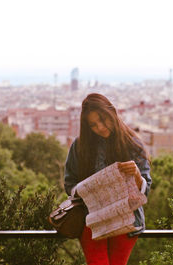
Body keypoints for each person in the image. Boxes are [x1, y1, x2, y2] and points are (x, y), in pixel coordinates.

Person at [64, 93, 152, 265]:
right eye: (94, 125)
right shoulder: (80, 146)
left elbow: (146, 189)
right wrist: (85, 189)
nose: (101, 127)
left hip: (126, 218)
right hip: (92, 220)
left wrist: (135, 174)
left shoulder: (132, 144)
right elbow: (69, 183)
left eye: (103, 120)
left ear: (112, 113)